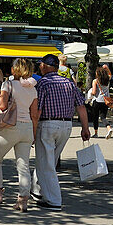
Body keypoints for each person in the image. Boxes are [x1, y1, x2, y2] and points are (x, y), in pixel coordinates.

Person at [31, 53, 91, 210]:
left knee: (46, 164)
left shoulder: (43, 83)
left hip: (48, 124)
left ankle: (54, 200)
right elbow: (81, 106)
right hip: (66, 125)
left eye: (40, 64)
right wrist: (85, 128)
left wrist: (32, 130)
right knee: (48, 161)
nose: (39, 67)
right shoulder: (69, 83)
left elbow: (37, 111)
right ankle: (37, 190)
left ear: (44, 66)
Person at [0, 58, 40, 212]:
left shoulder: (8, 84)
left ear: (16, 69)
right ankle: (22, 201)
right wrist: (33, 134)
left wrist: (0, 97)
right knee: (23, 166)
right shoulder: (33, 89)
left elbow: (2, 105)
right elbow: (34, 114)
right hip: (27, 128)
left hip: (11, 127)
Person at [87, 65, 113, 139]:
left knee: (95, 117)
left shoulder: (95, 81)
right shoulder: (107, 79)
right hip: (105, 101)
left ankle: (96, 133)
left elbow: (94, 92)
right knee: (103, 117)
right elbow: (110, 74)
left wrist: (90, 93)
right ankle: (109, 128)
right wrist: (106, 68)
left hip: (97, 101)